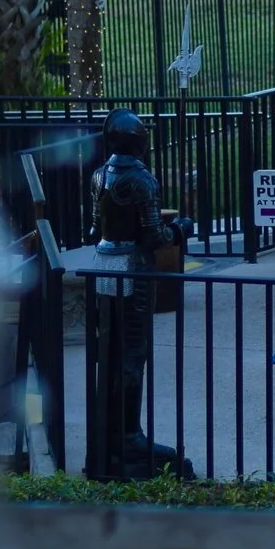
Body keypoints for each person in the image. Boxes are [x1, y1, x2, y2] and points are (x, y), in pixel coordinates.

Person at [90, 110, 194, 478]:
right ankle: (129, 435)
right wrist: (180, 230)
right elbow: (154, 238)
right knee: (133, 352)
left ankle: (110, 431)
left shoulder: (100, 175)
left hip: (104, 264)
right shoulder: (141, 180)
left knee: (110, 350)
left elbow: (94, 228)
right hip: (133, 270)